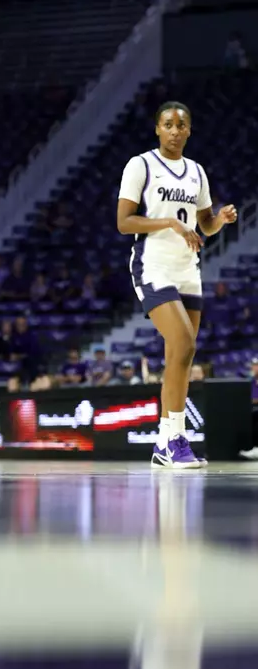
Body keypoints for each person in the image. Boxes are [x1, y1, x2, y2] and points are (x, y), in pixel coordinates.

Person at [117, 101, 237, 469]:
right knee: (183, 342)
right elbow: (124, 222)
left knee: (181, 357)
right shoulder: (141, 165)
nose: (174, 130)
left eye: (181, 125)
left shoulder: (197, 172)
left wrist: (220, 219)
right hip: (152, 264)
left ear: (188, 130)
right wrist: (168, 223)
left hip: (188, 270)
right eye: (167, 124)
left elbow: (204, 226)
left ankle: (164, 442)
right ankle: (175, 438)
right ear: (157, 129)